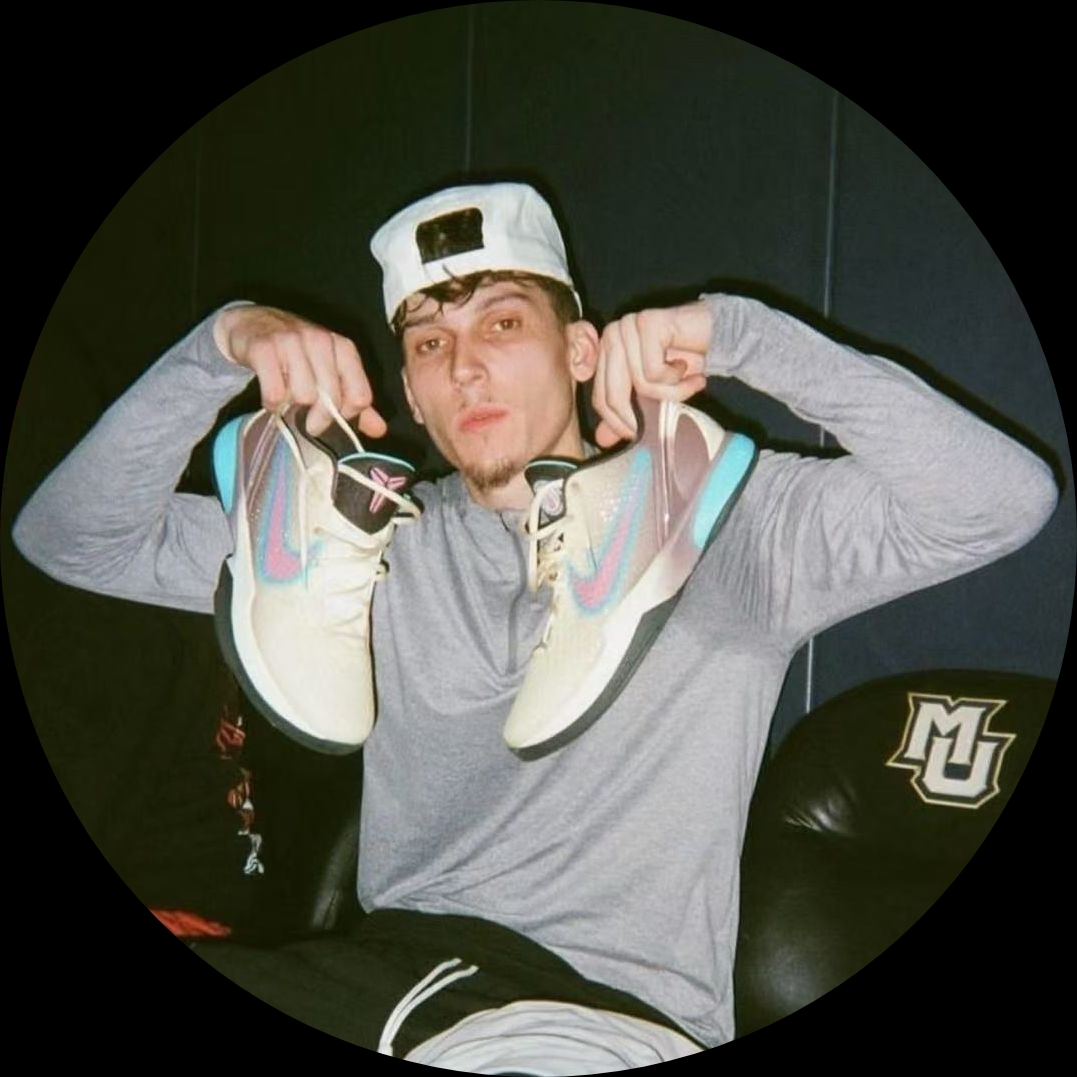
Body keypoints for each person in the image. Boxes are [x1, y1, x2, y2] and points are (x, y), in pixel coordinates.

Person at [12, 181, 1058, 1063]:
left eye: (503, 324)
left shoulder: (729, 525)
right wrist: (222, 345)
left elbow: (1000, 500)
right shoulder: (368, 545)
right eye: (430, 342)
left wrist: (737, 335)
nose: (464, 366)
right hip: (386, 972)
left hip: (597, 1014)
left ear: (582, 349)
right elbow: (68, 540)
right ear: (409, 393)